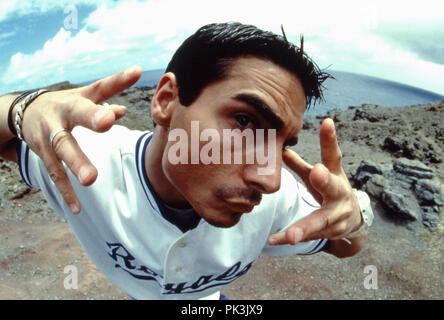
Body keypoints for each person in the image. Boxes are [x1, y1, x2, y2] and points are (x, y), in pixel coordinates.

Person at [0, 22, 373, 300]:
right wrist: (21, 108)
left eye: (281, 144)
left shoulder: (277, 203)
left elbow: (346, 245)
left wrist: (356, 216)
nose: (270, 180)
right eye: (245, 122)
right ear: (165, 100)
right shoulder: (83, 160)